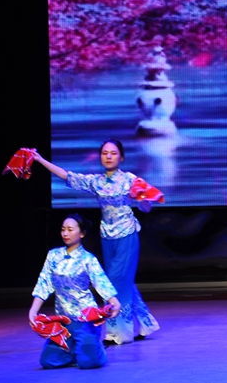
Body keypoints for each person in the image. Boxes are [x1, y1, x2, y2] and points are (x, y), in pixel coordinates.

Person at [32, 140, 159, 344]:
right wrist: (39, 159)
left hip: (127, 235)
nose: (108, 156)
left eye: (113, 153)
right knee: (122, 282)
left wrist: (142, 198)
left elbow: (146, 208)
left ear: (121, 157)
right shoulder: (96, 181)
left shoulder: (130, 180)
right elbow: (67, 176)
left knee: (114, 282)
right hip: (107, 236)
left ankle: (118, 333)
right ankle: (146, 323)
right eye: (105, 153)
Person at [28, 214, 122, 369]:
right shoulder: (53, 255)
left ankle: (95, 349)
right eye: (63, 229)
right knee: (48, 361)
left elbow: (101, 282)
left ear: (82, 233)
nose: (65, 233)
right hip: (64, 320)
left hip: (84, 319)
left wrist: (114, 302)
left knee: (88, 363)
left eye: (70, 229)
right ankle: (75, 349)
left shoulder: (88, 259)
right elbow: (44, 283)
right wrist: (33, 310)